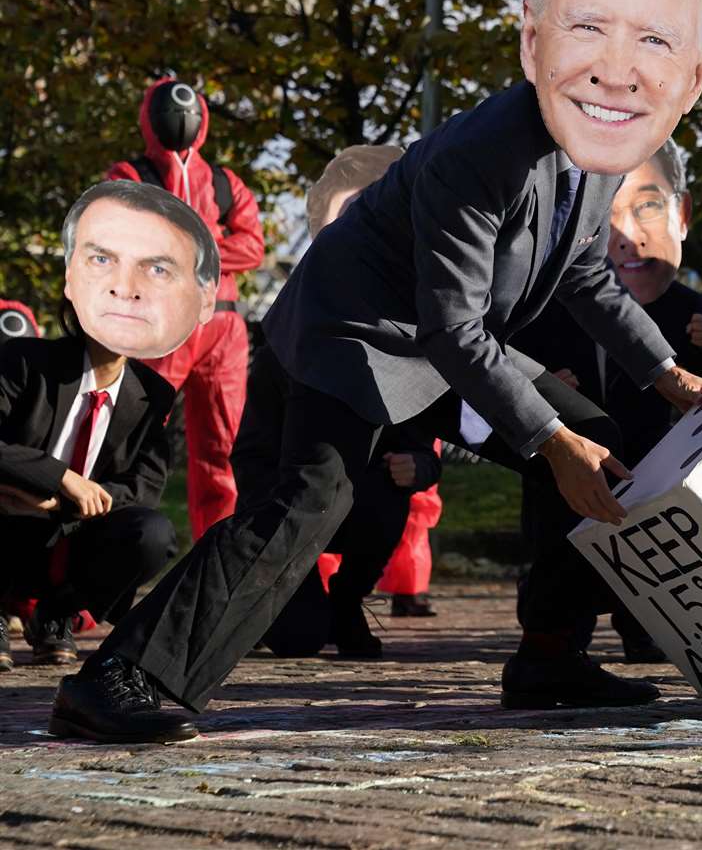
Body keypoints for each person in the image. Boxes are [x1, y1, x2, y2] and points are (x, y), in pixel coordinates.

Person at [50, 0, 702, 743]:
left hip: (440, 344)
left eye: (652, 42)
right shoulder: (483, 152)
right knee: (312, 501)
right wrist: (551, 444)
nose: (615, 69)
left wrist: (667, 375)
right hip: (351, 334)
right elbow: (453, 325)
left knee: (597, 436)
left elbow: (586, 271)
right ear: (534, 39)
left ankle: (550, 655)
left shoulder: (602, 141)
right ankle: (119, 676)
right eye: (590, 31)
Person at [515, 139, 702, 662]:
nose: (625, 237)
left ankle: (641, 628)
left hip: (648, 456)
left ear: (680, 215)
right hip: (566, 460)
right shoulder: (545, 301)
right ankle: (555, 643)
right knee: (563, 551)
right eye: (607, 216)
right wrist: (546, 383)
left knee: (646, 555)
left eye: (646, 208)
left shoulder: (683, 304)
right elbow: (510, 362)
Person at [232, 145, 443, 658]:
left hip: (358, 496)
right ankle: (285, 600)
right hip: (286, 507)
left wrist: (419, 465)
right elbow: (251, 454)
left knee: (388, 497)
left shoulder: (410, 324)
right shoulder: (289, 328)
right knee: (298, 639)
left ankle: (349, 599)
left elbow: (426, 441)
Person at [2, 181, 217, 679]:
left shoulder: (153, 395)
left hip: (71, 528)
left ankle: (57, 617)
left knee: (153, 533)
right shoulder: (24, 362)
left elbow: (142, 489)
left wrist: (63, 498)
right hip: (7, 515)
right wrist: (57, 475)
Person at [106, 78, 265, 539]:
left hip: (223, 326)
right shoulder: (130, 176)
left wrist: (182, 247)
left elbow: (253, 246)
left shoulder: (224, 181)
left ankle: (218, 561)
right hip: (160, 321)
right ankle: (121, 546)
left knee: (225, 447)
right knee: (131, 438)